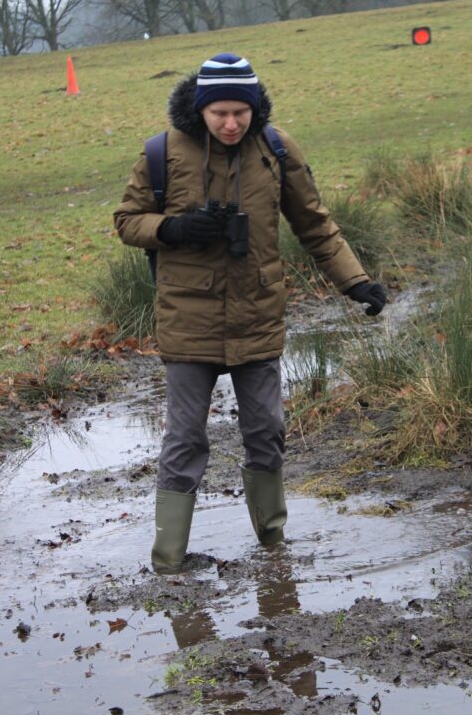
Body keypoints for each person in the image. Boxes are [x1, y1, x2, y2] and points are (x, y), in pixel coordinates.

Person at [113, 53, 386, 573]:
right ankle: (168, 561)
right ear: (201, 109)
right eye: (220, 114)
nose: (231, 123)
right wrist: (173, 230)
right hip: (187, 319)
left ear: (255, 107)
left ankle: (273, 545)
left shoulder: (276, 149)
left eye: (241, 112)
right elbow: (127, 221)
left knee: (266, 430)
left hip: (257, 316)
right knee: (185, 438)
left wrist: (356, 281)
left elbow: (316, 225)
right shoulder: (161, 153)